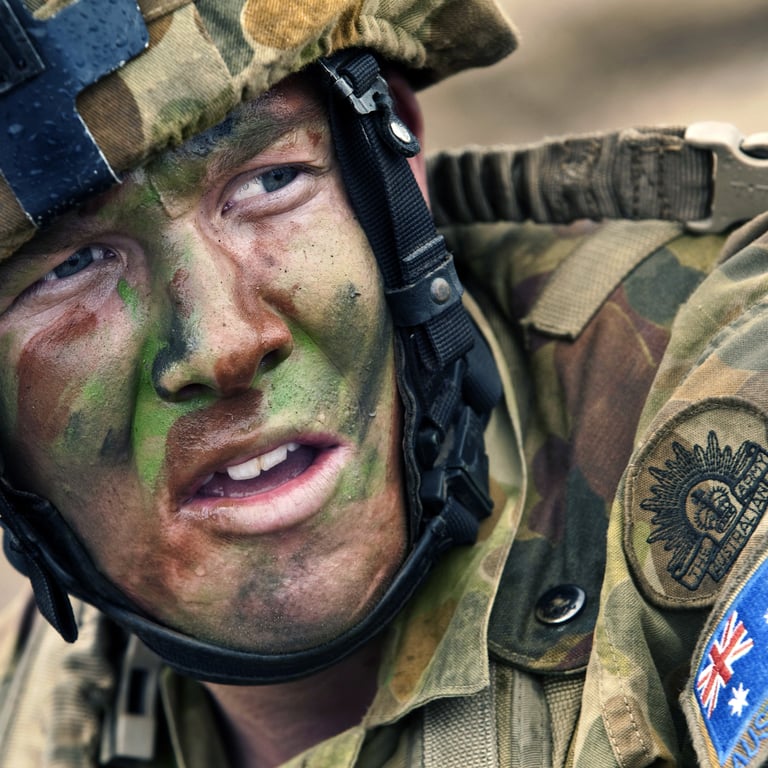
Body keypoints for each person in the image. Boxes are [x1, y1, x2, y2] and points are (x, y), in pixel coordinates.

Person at [1, 1, 768, 766]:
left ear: (395, 163)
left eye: (271, 181)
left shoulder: (726, 392)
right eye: (72, 266)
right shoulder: (46, 705)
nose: (225, 347)